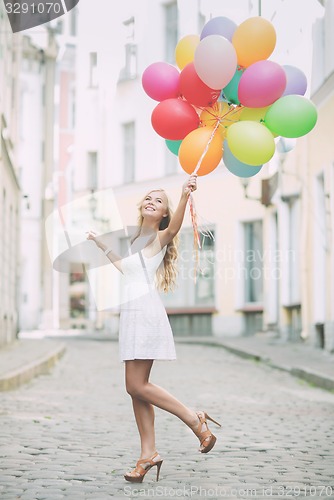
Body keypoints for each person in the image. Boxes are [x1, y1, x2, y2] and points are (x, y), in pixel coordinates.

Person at [86, 173, 221, 483]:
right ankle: (148, 455)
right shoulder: (136, 241)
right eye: (148, 197)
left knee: (136, 385)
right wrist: (101, 244)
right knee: (137, 391)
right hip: (132, 314)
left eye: (159, 201)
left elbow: (175, 228)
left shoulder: (160, 236)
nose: (151, 201)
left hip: (145, 313)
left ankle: (193, 419)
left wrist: (185, 194)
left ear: (162, 215)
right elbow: (126, 270)